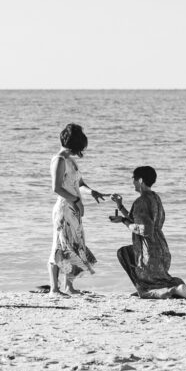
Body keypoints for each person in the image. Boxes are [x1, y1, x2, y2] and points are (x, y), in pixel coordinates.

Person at [109, 166, 186, 299]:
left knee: (124, 255)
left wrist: (123, 221)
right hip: (161, 248)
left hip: (149, 252)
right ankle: (173, 289)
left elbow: (145, 229)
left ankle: (171, 290)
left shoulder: (141, 201)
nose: (132, 182)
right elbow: (137, 219)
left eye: (133, 179)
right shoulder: (155, 198)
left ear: (140, 180)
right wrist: (120, 206)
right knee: (129, 254)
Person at [48, 123, 108, 297]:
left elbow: (79, 184)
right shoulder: (59, 160)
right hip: (64, 209)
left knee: (74, 246)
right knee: (59, 246)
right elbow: (56, 188)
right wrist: (75, 200)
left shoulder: (70, 160)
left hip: (74, 210)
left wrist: (92, 192)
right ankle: (54, 289)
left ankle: (69, 286)